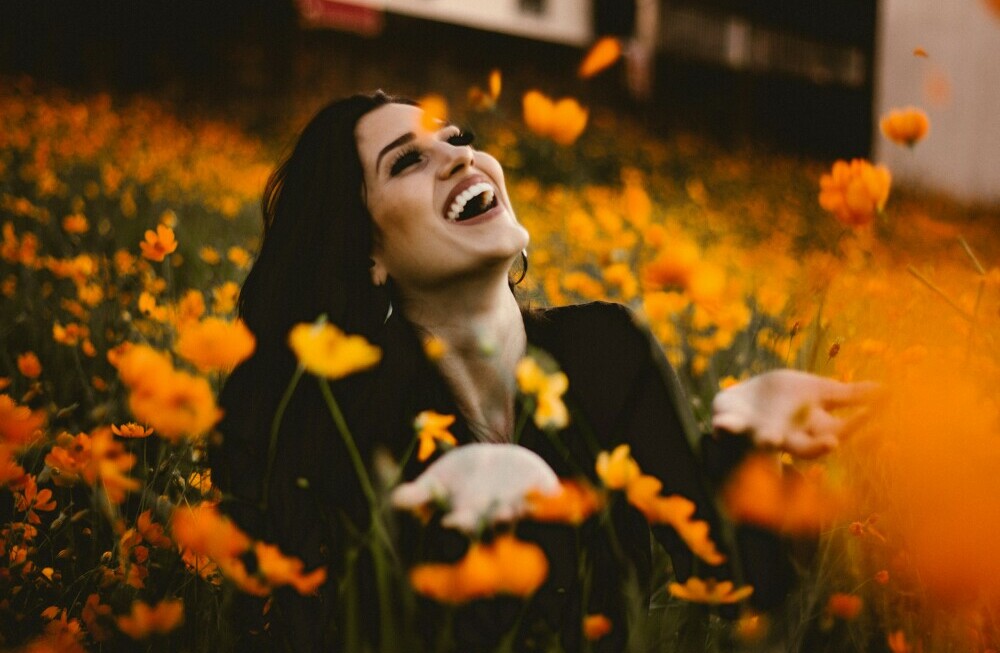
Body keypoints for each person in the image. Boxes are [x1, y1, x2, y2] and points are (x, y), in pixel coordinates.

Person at [212, 91, 875, 652]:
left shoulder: (609, 349)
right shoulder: (356, 434)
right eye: (410, 160)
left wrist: (744, 441)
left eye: (457, 139)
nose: (461, 156)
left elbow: (740, 581)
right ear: (368, 256)